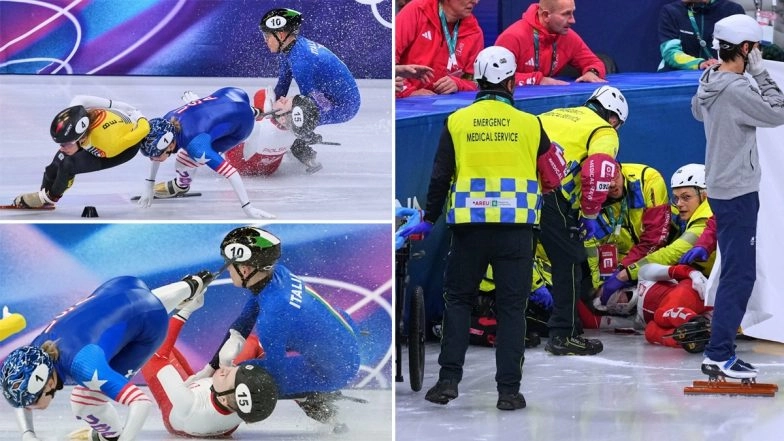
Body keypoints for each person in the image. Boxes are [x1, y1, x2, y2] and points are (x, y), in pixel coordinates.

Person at [398, 46, 567, 410]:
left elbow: (440, 176)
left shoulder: (457, 121)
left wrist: (428, 219)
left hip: (470, 229)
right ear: (510, 82)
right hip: (516, 230)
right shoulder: (531, 124)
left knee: (458, 301)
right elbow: (553, 174)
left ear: (476, 80)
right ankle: (508, 391)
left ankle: (447, 382)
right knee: (511, 308)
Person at [0, 271, 212, 441]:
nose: (27, 408)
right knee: (143, 305)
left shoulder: (84, 365)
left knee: (83, 401)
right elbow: (21, 395)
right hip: (121, 286)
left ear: (47, 385)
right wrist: (28, 435)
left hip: (148, 326)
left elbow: (140, 403)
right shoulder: (36, 350)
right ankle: (191, 284)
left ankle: (109, 437)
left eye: (30, 403)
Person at [187, 226, 362, 428]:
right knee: (243, 364)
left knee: (246, 375)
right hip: (345, 339)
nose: (227, 269)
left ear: (245, 269)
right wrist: (210, 367)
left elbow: (277, 374)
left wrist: (221, 380)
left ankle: (314, 400)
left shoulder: (272, 319)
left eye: (229, 264)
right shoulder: (278, 273)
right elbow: (245, 319)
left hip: (334, 372)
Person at [691, 13, 784, 379]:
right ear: (745, 49)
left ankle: (721, 350)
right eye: (755, 48)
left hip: (722, 186)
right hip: (739, 190)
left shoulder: (712, 81)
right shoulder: (738, 88)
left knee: (736, 270)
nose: (757, 54)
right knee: (739, 274)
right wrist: (761, 74)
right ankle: (718, 353)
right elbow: (779, 112)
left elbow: (696, 111)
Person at [536, 85, 627, 355]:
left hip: (516, 193)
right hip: (552, 195)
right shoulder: (603, 130)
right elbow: (599, 169)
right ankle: (564, 335)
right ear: (613, 118)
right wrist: (589, 213)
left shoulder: (550, 114)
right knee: (570, 262)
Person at [135, 295, 278, 438]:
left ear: (222, 399)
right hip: (224, 421)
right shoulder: (251, 406)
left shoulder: (187, 404)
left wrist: (185, 311)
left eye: (226, 374)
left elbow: (156, 356)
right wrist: (212, 368)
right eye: (234, 368)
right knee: (252, 344)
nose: (226, 368)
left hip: (181, 411)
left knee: (146, 343)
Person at [136, 86, 274, 219]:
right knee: (234, 116)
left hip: (241, 127)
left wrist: (247, 207)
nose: (154, 158)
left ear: (171, 145)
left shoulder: (196, 145)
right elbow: (156, 148)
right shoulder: (165, 121)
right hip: (230, 93)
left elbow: (231, 173)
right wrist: (149, 184)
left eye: (156, 154)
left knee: (183, 162)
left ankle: (181, 185)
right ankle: (256, 111)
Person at [257, 8, 361, 174]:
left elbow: (309, 104)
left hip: (344, 106)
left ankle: (304, 150)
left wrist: (297, 123)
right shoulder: (290, 50)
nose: (265, 41)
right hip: (330, 96)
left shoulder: (301, 60)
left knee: (292, 115)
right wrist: (267, 111)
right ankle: (299, 139)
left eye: (267, 36)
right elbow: (282, 85)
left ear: (281, 35)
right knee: (284, 110)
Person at [11, 96, 149, 209]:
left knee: (68, 165)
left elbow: (144, 129)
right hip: (101, 133)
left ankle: (50, 197)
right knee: (55, 164)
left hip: (123, 149)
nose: (61, 147)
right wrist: (118, 105)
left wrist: (138, 115)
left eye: (65, 143)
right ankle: (44, 195)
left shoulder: (109, 145)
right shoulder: (76, 111)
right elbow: (81, 98)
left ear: (80, 138)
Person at [582, 163, 671, 300]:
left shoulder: (648, 180)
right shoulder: (587, 198)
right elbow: (590, 245)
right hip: (617, 267)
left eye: (615, 176)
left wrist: (623, 272)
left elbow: (656, 239)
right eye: (605, 181)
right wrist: (598, 284)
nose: (611, 184)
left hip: (658, 257)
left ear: (620, 168)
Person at [495, 0, 606, 86]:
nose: (573, 20)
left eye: (572, 13)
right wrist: (538, 80)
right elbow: (495, 77)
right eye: (566, 14)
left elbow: (594, 62)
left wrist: (592, 72)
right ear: (545, 16)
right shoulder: (513, 37)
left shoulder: (567, 36)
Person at [395, 0, 484, 97]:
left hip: (445, 106)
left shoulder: (474, 32)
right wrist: (409, 92)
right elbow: (391, 60)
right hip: (405, 104)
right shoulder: (418, 10)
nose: (475, 1)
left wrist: (458, 84)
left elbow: (475, 81)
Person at [657, 0, 745, 71]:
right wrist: (700, 63)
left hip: (721, 78)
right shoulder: (671, 11)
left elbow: (742, 52)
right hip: (681, 80)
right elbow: (670, 52)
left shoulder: (733, 10)